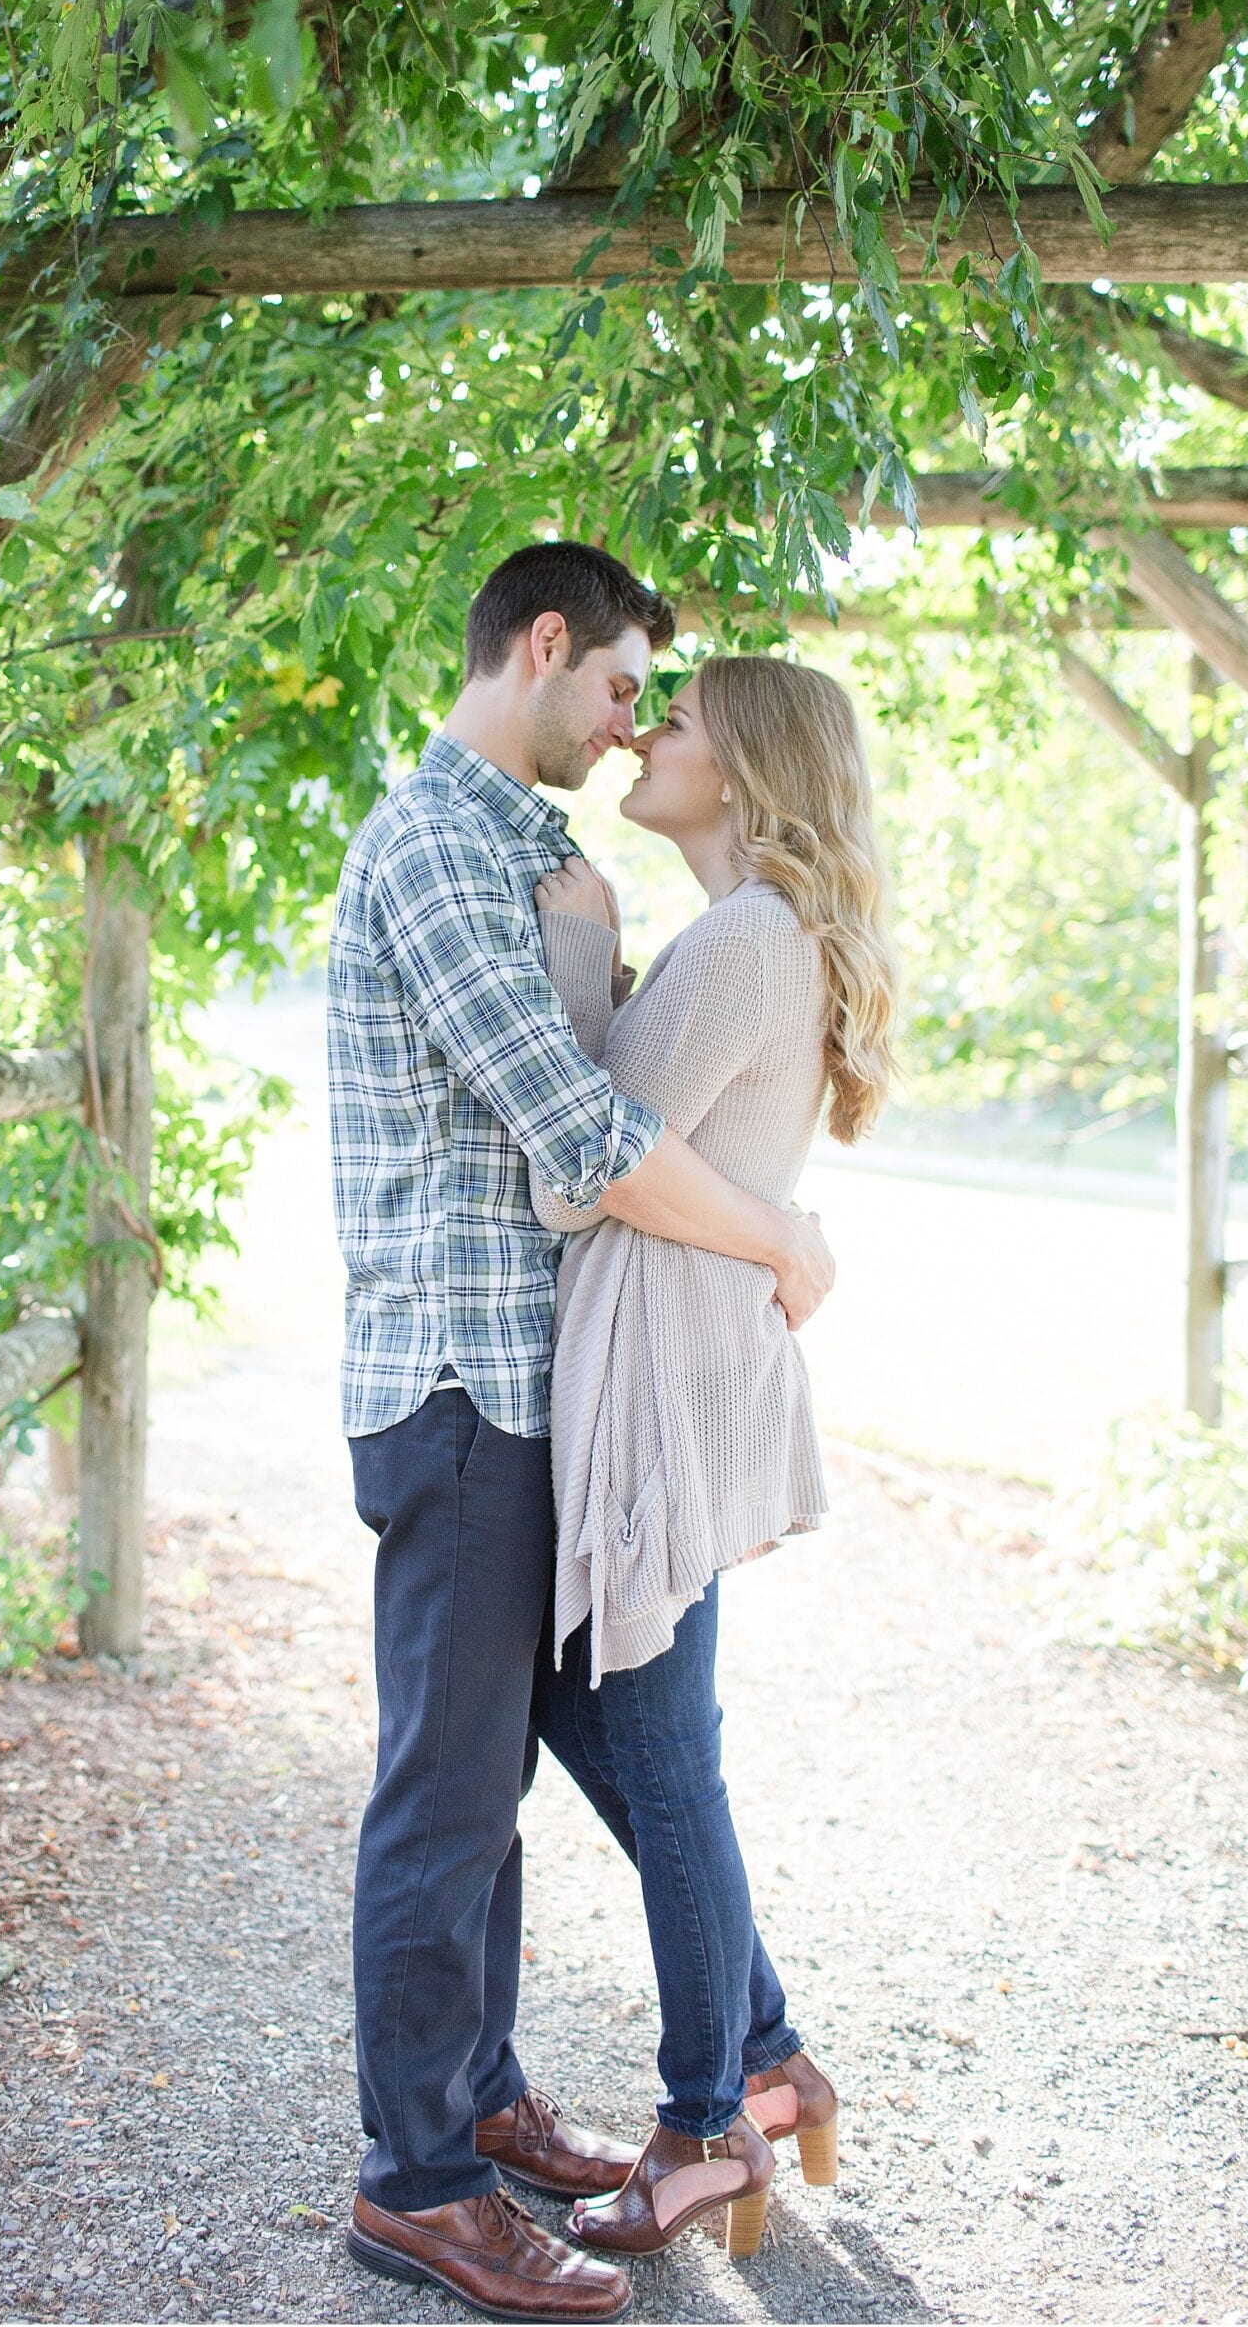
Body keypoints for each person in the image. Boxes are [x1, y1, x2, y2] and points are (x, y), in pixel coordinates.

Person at [327, 547, 837, 2322]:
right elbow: (585, 1137)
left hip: (541, 1395)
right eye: (622, 685)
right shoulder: (434, 852)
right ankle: (420, 2181)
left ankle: (479, 2095)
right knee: (445, 1797)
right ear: (542, 646)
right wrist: (781, 1241)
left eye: (653, 706)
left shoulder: (540, 860)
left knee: (507, 1793)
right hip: (460, 1385)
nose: (632, 727)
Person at [527, 654, 898, 2265]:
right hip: (681, 1357)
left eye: (672, 722)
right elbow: (637, 1128)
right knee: (586, 1706)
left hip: (665, 1371)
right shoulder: (755, 936)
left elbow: (581, 1163)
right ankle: (766, 2052)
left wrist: (579, 935)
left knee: (664, 1751)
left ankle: (704, 2128)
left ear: (739, 765)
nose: (644, 735)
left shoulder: (747, 936)